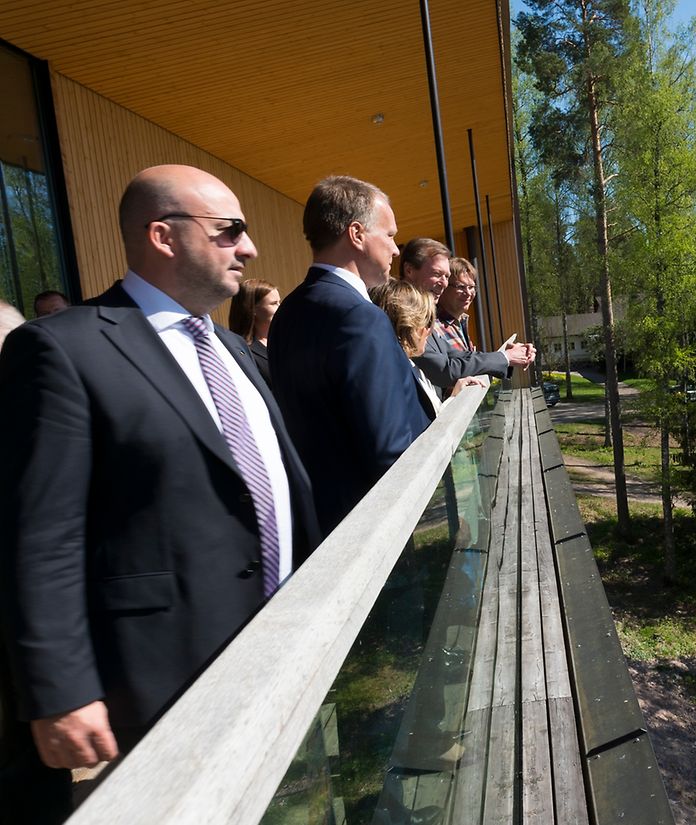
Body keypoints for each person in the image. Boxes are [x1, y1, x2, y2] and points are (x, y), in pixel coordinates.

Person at [0, 164, 319, 822]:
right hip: (173, 669)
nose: (250, 248)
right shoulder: (62, 350)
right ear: (163, 236)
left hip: (289, 639)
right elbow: (41, 534)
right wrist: (59, 689)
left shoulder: (233, 348)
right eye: (230, 231)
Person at [268, 176, 429, 534]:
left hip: (320, 524)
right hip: (373, 529)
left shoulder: (287, 313)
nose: (396, 249)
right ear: (356, 235)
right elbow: (392, 450)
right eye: (389, 235)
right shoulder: (360, 318)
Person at [398, 238, 536, 397]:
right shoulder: (404, 313)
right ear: (409, 270)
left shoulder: (428, 317)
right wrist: (505, 357)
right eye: (437, 274)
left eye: (446, 277)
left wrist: (506, 356)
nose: (443, 283)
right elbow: (445, 370)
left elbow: (458, 356)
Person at [369, 279, 440, 422]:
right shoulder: (390, 378)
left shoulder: (410, 367)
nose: (429, 331)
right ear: (407, 324)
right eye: (425, 321)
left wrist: (454, 397)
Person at [227, 278, 280, 384]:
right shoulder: (240, 350)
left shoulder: (285, 340)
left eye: (279, 302)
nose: (280, 307)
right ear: (252, 309)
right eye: (274, 303)